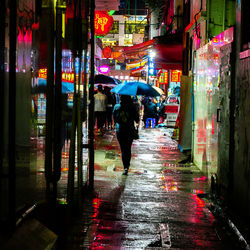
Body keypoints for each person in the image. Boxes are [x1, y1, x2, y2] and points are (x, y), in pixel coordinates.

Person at [113, 95, 139, 175]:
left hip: (120, 130)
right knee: (128, 148)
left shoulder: (117, 107)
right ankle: (126, 167)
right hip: (129, 129)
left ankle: (125, 166)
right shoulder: (132, 107)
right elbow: (137, 120)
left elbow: (114, 118)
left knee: (123, 148)